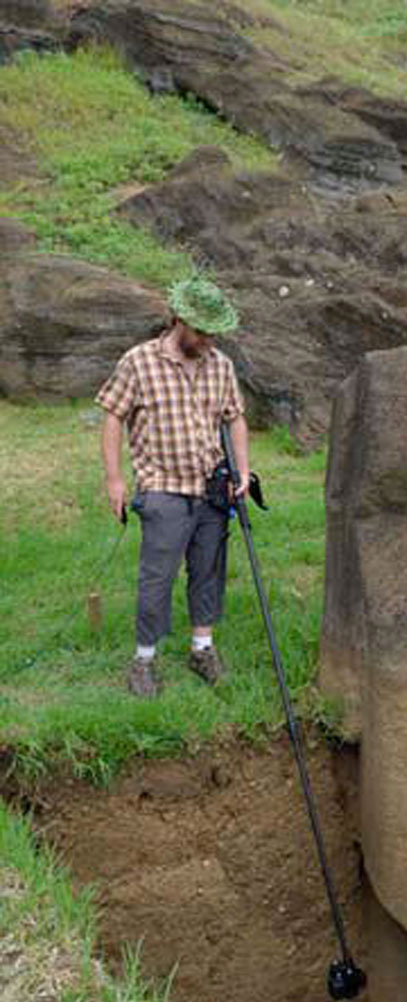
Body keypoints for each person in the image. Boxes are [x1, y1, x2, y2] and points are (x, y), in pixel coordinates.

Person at [96, 276, 250, 697]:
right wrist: (114, 480)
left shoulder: (220, 365)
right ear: (178, 320)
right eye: (201, 331)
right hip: (162, 487)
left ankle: (202, 648)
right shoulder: (138, 362)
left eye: (213, 332)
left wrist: (242, 470)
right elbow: (113, 415)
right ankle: (143, 660)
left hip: (212, 488)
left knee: (208, 570)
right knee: (156, 576)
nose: (207, 340)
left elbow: (234, 416)